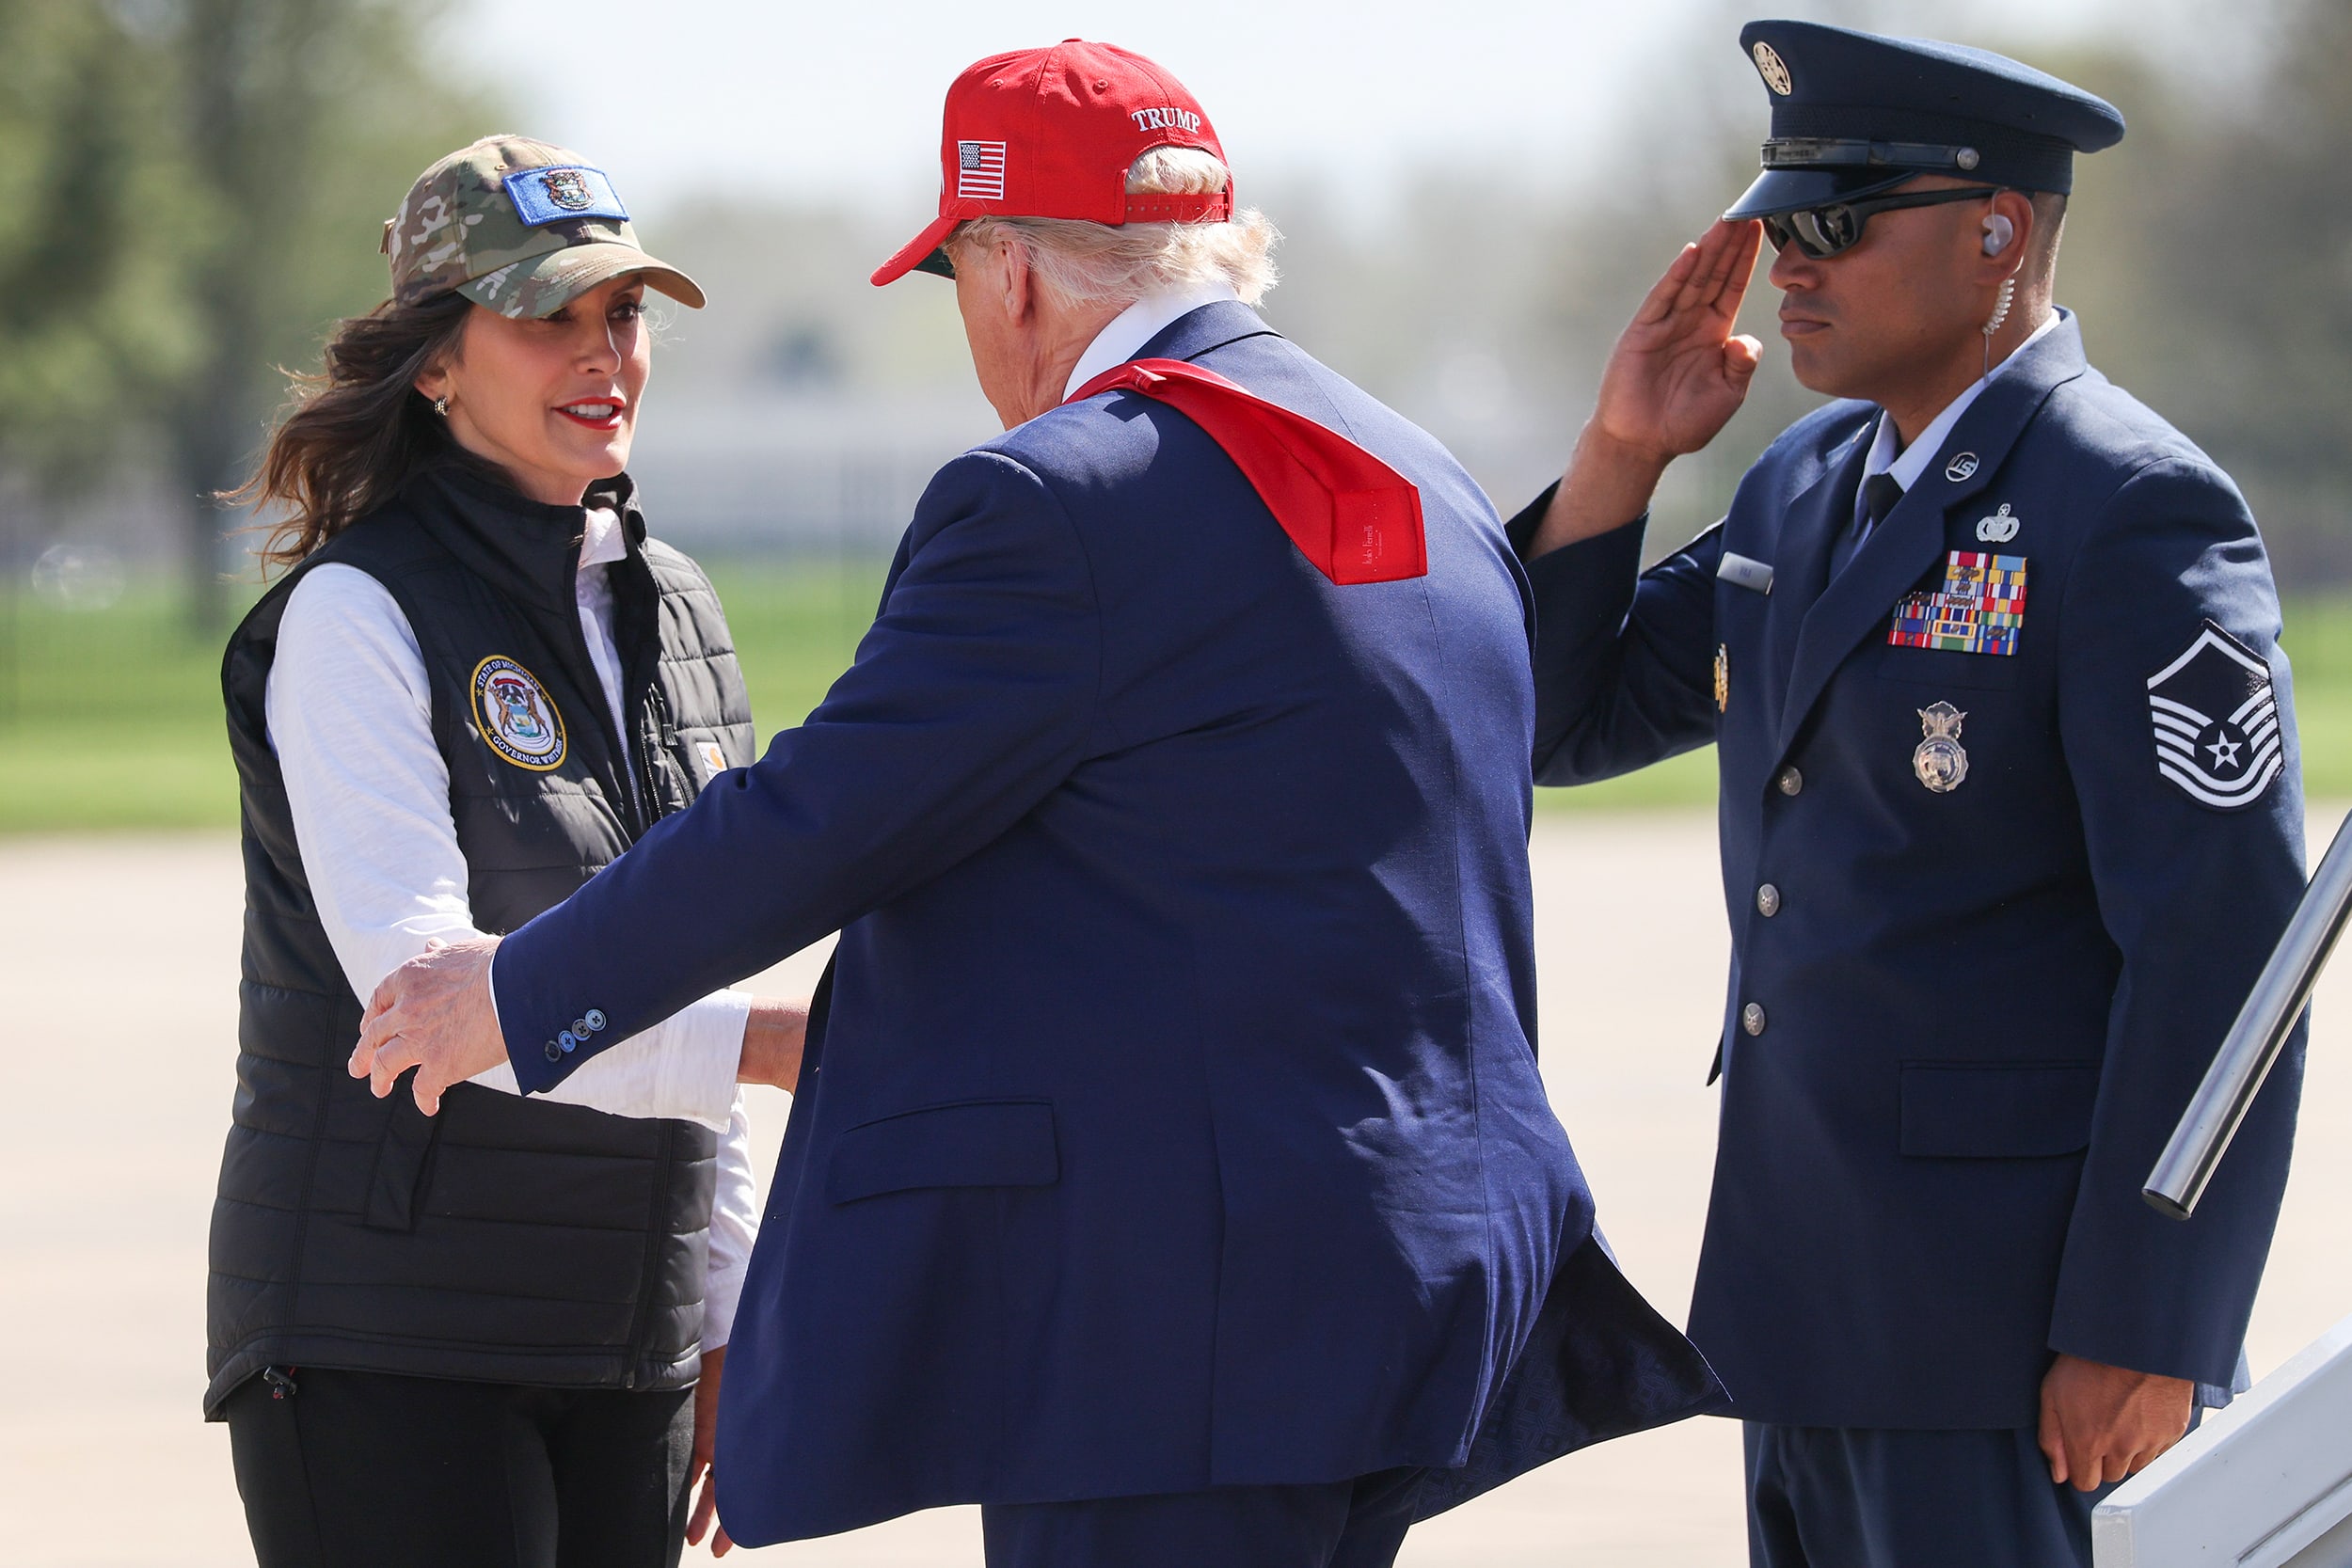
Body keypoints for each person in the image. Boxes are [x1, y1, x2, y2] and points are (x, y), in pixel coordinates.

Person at [350, 40, 1724, 1568]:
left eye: (954, 282)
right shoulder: (1410, 465)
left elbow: (820, 815)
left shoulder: (1060, 497)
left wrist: (522, 990)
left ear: (1006, 270)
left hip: (1184, 1330)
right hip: (1416, 1284)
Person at [1508, 20, 2307, 1567]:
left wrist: (2151, 1323)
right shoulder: (1803, 485)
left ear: (1998, 229)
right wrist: (1621, 450)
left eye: (1834, 225)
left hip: (2017, 1345)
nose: (1788, 266)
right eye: (1774, 226)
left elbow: (2227, 952)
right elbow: (1555, 720)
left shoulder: (2129, 505)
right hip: (1802, 1310)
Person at [208, 135, 806, 1567]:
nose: (604, 354)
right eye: (549, 318)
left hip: (627, 1345)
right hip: (386, 1342)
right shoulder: (358, 615)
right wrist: (787, 1044)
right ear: (434, 363)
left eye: (625, 313)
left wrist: (718, 1315)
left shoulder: (676, 608)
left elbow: (693, 967)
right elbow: (426, 1003)